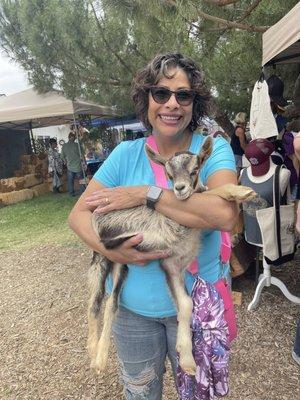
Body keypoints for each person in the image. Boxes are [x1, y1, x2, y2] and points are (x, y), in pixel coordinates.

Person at [68, 52, 238, 399]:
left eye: (183, 95)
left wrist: (145, 193)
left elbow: (224, 214)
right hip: (133, 315)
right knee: (140, 393)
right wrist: (112, 250)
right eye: (161, 94)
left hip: (193, 309)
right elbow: (78, 216)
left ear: (195, 103)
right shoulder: (125, 155)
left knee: (200, 395)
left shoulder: (211, 150)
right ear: (146, 101)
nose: (171, 104)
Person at [61, 132, 85, 196]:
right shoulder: (77, 145)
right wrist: (85, 163)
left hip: (69, 166)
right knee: (81, 179)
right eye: (74, 137)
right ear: (73, 137)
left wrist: (65, 162)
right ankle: (83, 192)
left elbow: (62, 157)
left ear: (68, 137)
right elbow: (82, 155)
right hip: (78, 165)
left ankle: (71, 193)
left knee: (70, 180)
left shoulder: (64, 146)